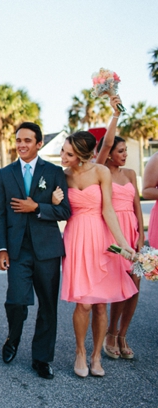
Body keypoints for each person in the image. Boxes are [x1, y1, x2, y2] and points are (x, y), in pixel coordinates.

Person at [0, 122, 71, 380]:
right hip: (17, 250)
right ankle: (12, 338)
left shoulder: (54, 172)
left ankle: (42, 358)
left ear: (39, 143)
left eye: (27, 140)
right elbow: (0, 214)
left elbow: (64, 211)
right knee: (16, 300)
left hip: (47, 250)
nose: (22, 145)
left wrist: (37, 207)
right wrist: (1, 249)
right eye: (18, 140)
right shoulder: (5, 173)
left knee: (48, 306)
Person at [59, 131, 138, 378]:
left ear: (83, 155)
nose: (63, 156)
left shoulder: (101, 172)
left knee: (101, 305)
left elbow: (108, 211)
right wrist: (54, 200)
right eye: (62, 150)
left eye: (68, 153)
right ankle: (80, 352)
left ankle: (96, 356)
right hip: (76, 239)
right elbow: (58, 211)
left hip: (101, 238)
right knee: (83, 303)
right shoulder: (62, 176)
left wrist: (124, 245)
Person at [95, 96, 143, 361]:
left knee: (135, 285)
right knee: (119, 287)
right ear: (110, 153)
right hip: (114, 236)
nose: (124, 155)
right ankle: (110, 333)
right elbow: (108, 142)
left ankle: (123, 334)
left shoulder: (131, 174)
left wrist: (142, 236)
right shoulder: (101, 170)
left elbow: (137, 206)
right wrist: (116, 113)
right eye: (121, 151)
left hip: (133, 233)